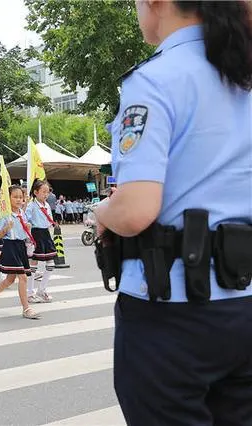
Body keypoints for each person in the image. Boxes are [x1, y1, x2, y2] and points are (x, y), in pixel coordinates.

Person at [93, 1, 252, 424]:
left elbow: (135, 212)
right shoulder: (243, 77)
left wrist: (101, 210)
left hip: (171, 310)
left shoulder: (157, 80)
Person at [0, 185, 40, 320]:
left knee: (10, 279)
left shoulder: (23, 213)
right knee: (23, 277)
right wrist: (6, 227)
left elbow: (25, 232)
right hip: (10, 246)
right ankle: (26, 308)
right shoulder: (5, 215)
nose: (19, 200)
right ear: (8, 199)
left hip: (20, 247)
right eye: (15, 197)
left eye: (21, 197)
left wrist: (28, 228)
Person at [26, 180, 57, 303]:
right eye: (43, 192)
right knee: (33, 264)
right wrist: (28, 238)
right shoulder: (31, 205)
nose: (46, 194)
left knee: (51, 264)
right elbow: (26, 221)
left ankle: (41, 290)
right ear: (35, 192)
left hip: (45, 234)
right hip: (35, 233)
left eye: (47, 192)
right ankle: (29, 293)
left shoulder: (47, 205)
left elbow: (49, 220)